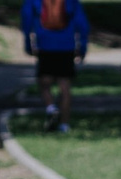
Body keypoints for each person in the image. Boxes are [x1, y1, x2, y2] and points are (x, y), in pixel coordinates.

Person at [20, 0, 89, 133]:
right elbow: (82, 23)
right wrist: (83, 47)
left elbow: (27, 20)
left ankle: (51, 108)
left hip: (45, 46)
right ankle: (64, 126)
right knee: (65, 87)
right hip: (67, 47)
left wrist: (28, 44)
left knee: (44, 83)